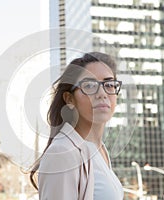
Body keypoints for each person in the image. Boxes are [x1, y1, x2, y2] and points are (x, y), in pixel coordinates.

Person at [30, 52, 124, 200]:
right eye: (89, 85)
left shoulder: (100, 151)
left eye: (110, 85)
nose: (102, 93)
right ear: (69, 99)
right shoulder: (62, 152)